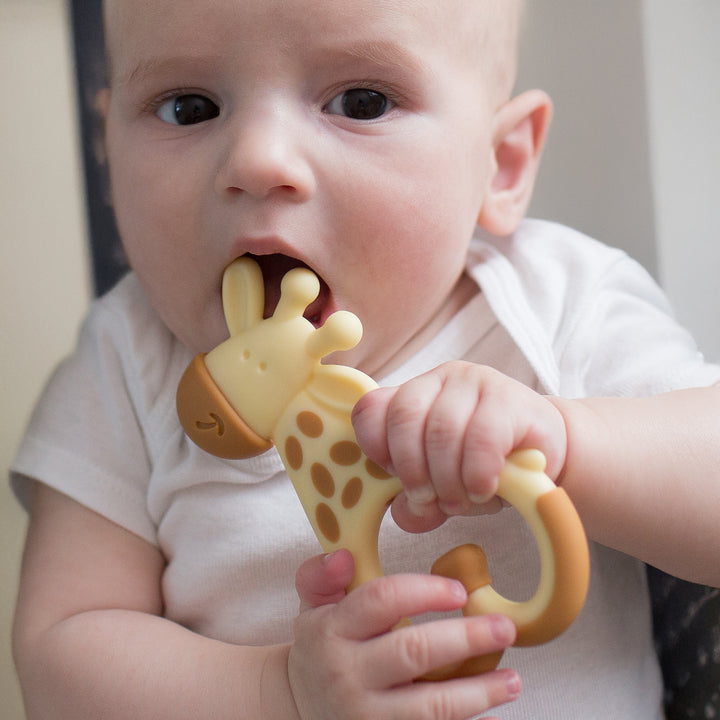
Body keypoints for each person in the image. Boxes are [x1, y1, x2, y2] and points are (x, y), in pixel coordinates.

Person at [10, 0, 720, 717]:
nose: (258, 160)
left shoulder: (557, 302)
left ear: (501, 164)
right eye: (189, 107)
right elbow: (60, 656)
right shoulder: (127, 360)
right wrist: (277, 692)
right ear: (107, 152)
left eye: (362, 101)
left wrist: (569, 441)